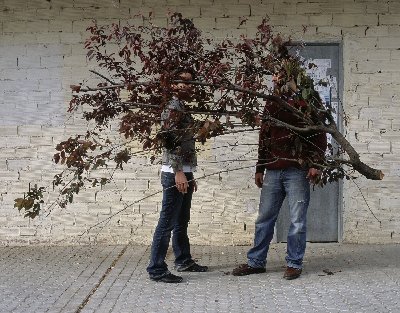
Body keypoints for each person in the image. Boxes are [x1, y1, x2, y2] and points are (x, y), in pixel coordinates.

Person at [232, 71, 327, 280]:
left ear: (290, 77)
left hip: (297, 169)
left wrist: (316, 163)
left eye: (278, 77)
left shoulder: (308, 99)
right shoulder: (272, 101)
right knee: (264, 218)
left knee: (297, 220)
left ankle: (294, 263)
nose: (274, 80)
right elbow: (264, 135)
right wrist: (260, 167)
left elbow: (320, 132)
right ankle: (256, 262)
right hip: (273, 169)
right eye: (273, 77)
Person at [147, 68, 208, 283]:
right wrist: (179, 172)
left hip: (184, 171)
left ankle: (183, 259)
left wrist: (189, 173)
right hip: (175, 173)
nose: (187, 86)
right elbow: (169, 140)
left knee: (182, 220)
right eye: (183, 82)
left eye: (190, 83)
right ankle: (156, 268)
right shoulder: (173, 107)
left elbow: (185, 142)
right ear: (172, 84)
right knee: (167, 223)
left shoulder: (181, 107)